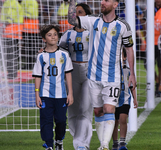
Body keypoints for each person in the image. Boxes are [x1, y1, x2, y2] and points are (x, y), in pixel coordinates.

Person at [68, 0, 137, 149]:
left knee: (109, 108)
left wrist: (132, 74)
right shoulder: (93, 21)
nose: (102, 2)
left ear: (116, 4)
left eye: (106, 0)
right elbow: (72, 20)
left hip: (113, 77)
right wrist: (72, 3)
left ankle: (105, 145)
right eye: (102, 0)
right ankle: (103, 143)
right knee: (98, 111)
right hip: (93, 76)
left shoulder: (123, 26)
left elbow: (129, 49)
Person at [32, 25, 73, 150]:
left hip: (61, 94)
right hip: (45, 94)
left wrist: (70, 93)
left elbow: (68, 74)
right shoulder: (41, 56)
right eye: (49, 35)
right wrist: (37, 94)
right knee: (46, 120)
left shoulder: (64, 54)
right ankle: (48, 144)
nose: (53, 37)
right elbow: (38, 76)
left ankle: (59, 140)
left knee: (61, 120)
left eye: (55, 34)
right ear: (44, 39)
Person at [59, 3, 93, 150]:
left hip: (89, 71)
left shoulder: (93, 32)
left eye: (80, 12)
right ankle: (79, 140)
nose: (76, 15)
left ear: (87, 15)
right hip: (71, 71)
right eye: (75, 12)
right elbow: (60, 52)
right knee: (72, 110)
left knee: (85, 108)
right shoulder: (67, 34)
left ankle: (82, 144)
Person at [112, 48, 138, 150]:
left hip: (125, 99)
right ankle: (115, 143)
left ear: (124, 57)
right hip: (113, 99)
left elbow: (132, 87)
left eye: (120, 54)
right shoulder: (111, 71)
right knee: (114, 122)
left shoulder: (128, 71)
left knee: (123, 119)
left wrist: (135, 99)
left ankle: (122, 142)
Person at [0, 0, 23, 79]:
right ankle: (11, 72)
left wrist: (5, 23)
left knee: (11, 53)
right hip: (8, 31)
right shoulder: (8, 2)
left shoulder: (12, 3)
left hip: (11, 30)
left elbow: (10, 16)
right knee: (10, 54)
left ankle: (12, 73)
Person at [21, 0, 40, 70]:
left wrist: (19, 13)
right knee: (29, 48)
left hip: (30, 28)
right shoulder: (29, 1)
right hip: (29, 28)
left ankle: (31, 64)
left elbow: (28, 14)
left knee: (31, 48)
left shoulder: (31, 2)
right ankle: (29, 64)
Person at [154, 0, 161, 97]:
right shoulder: (149, 10)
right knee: (147, 64)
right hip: (151, 42)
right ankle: (157, 81)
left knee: (160, 65)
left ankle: (159, 88)